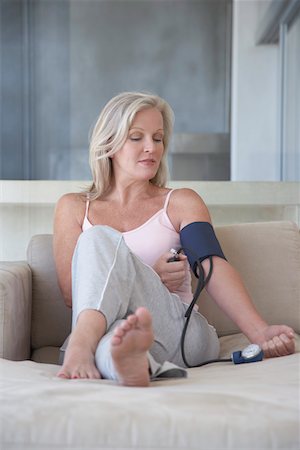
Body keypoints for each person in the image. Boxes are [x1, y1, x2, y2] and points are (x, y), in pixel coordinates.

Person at [53, 91, 295, 387]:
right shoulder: (75, 207)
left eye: (157, 138)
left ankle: (81, 346)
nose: (151, 148)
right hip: (113, 330)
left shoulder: (180, 202)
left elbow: (212, 266)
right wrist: (150, 274)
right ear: (110, 144)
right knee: (117, 333)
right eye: (136, 137)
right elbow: (71, 292)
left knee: (100, 241)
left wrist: (259, 332)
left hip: (178, 329)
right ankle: (129, 363)